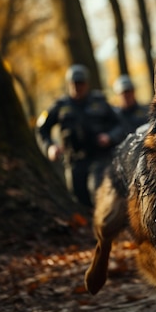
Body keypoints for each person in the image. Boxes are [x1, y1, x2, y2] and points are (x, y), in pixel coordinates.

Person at [36, 64, 127, 209]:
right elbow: (42, 129)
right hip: (74, 161)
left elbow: (119, 125)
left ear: (87, 83)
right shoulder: (60, 106)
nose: (78, 87)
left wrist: (109, 137)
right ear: (69, 84)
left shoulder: (99, 102)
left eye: (81, 83)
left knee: (97, 191)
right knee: (78, 199)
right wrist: (50, 147)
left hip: (99, 157)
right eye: (74, 83)